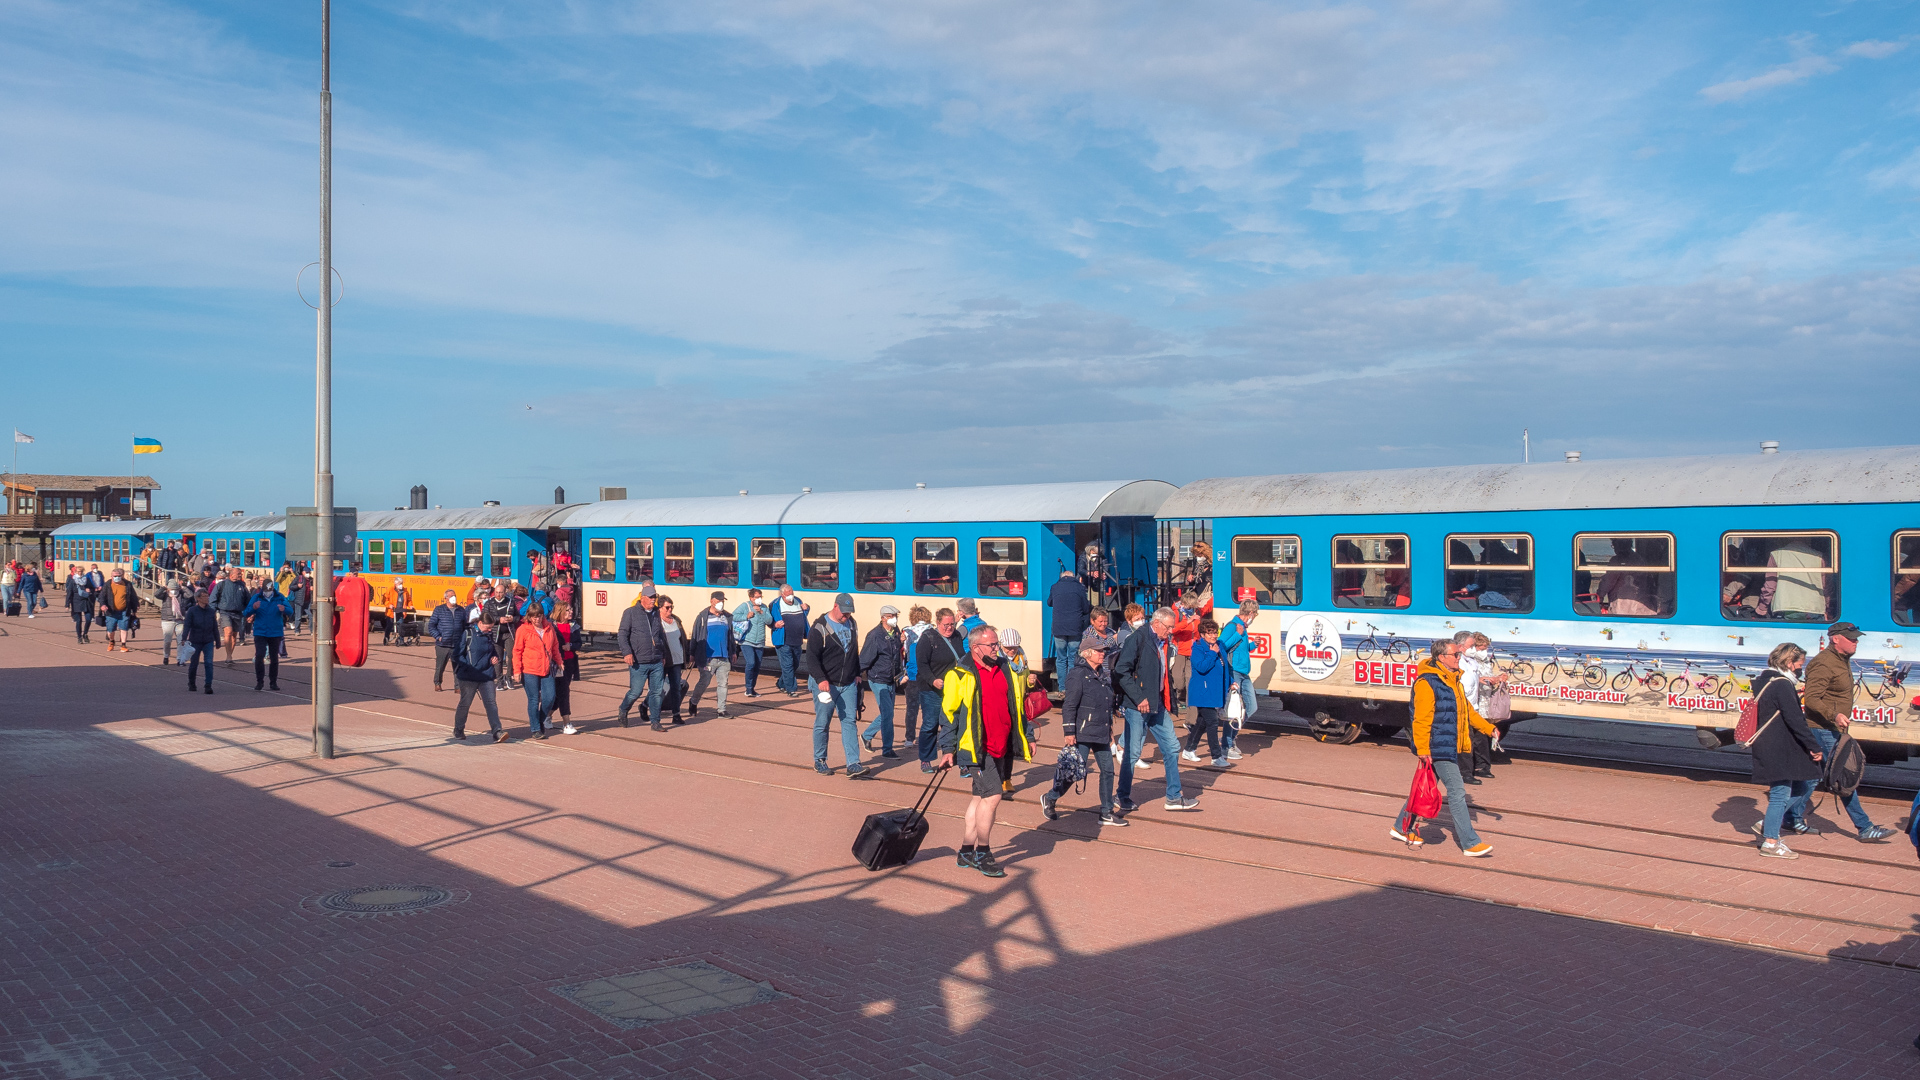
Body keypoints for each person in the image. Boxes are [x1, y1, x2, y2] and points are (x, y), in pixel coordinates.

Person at [937, 624, 1032, 877]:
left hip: (1002, 745)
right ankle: (983, 852)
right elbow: (948, 714)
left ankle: (966, 851)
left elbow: (1017, 704)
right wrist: (947, 749)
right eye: (991, 645)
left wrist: (1028, 735)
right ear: (975, 647)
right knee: (993, 796)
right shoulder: (959, 674)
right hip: (976, 748)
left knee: (979, 798)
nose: (996, 648)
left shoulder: (1004, 668)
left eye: (996, 643)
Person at [1391, 639, 1498, 856]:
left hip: (1448, 745)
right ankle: (1469, 843)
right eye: (1456, 655)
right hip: (1436, 747)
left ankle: (1401, 827)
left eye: (1459, 654)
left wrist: (1489, 729)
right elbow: (1420, 719)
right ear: (1442, 658)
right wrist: (1422, 749)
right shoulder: (1427, 683)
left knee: (1422, 788)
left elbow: (1467, 712)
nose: (1460, 658)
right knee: (1457, 792)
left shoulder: (1452, 681)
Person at [1799, 623, 1893, 841]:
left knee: (1813, 778)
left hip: (1833, 729)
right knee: (1842, 776)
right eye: (1852, 639)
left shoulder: (1841, 660)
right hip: (1823, 729)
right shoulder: (1824, 663)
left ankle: (1788, 817)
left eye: (1857, 639)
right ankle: (1865, 827)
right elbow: (1812, 699)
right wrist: (1835, 715)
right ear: (1836, 639)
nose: (1856, 642)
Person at [1114, 608, 1200, 812]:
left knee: (1171, 747)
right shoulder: (1138, 638)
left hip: (1157, 704)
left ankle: (1173, 797)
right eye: (1169, 627)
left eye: (1172, 627)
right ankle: (1122, 795)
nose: (1171, 631)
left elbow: (1162, 673)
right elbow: (1121, 670)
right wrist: (1138, 697)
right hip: (1138, 705)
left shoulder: (1163, 641)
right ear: (1157, 623)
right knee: (1132, 752)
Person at [1748, 642, 1824, 858]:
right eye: (1801, 663)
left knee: (1801, 786)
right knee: (1780, 794)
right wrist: (1813, 746)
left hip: (1773, 745)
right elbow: (1795, 720)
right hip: (1778, 747)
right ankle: (1771, 843)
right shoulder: (1781, 684)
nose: (1802, 668)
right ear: (1790, 663)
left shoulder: (1766, 679)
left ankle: (1768, 823)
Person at [1042, 645, 1127, 827]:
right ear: (1087, 653)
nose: (1102, 654)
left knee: (1108, 770)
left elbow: (1106, 704)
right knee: (1073, 772)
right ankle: (1051, 797)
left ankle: (1106, 812)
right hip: (1082, 731)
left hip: (1101, 731)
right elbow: (1069, 705)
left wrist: (1110, 729)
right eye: (1098, 651)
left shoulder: (1103, 674)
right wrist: (1069, 732)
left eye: (1103, 651)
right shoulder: (1078, 674)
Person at [807, 593, 869, 778]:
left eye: (849, 613)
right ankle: (820, 760)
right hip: (826, 683)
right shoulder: (819, 628)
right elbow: (811, 657)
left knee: (849, 721)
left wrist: (857, 673)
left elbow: (853, 651)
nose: (846, 616)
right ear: (835, 607)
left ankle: (854, 763)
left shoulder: (852, 623)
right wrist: (820, 679)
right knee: (823, 722)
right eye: (844, 613)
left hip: (848, 683)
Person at [915, 608, 967, 773]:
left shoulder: (957, 636)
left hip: (953, 690)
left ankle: (958, 760)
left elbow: (962, 658)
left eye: (952, 624)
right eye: (946, 625)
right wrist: (932, 680)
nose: (949, 628)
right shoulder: (928, 638)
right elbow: (921, 665)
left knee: (955, 724)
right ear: (937, 623)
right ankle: (926, 759)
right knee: (931, 724)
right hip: (931, 690)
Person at [616, 585, 671, 731]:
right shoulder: (630, 613)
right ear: (643, 598)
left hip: (656, 660)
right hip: (638, 661)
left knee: (657, 692)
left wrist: (663, 654)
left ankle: (655, 722)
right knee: (636, 691)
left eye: (655, 597)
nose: (653, 600)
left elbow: (661, 635)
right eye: (651, 597)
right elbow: (622, 634)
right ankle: (623, 709)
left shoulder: (656, 614)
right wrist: (627, 653)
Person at [1181, 619, 1234, 768]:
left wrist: (1231, 681)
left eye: (1215, 633)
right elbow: (1201, 667)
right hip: (1202, 691)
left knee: (1202, 722)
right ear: (1203, 634)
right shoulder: (1198, 648)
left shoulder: (1220, 645)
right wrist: (1212, 653)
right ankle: (1216, 756)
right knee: (1212, 721)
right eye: (1210, 633)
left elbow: (1224, 667)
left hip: (1215, 691)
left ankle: (1189, 749)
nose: (1213, 636)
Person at [858, 604, 907, 758]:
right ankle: (887, 749)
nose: (894, 619)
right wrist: (857, 674)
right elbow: (865, 658)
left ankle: (867, 736)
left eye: (895, 616)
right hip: (878, 679)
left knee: (888, 713)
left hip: (891, 679)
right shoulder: (874, 635)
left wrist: (900, 642)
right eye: (891, 616)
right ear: (883, 618)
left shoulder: (895, 631)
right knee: (887, 713)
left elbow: (893, 652)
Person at [451, 615, 510, 743]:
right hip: (468, 677)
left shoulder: (488, 635)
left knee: (491, 704)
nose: (490, 630)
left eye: (491, 628)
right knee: (465, 704)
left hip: (487, 675)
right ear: (480, 623)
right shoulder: (468, 634)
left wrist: (495, 658)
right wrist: (467, 666)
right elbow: (456, 655)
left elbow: (492, 651)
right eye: (488, 628)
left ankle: (497, 731)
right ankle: (458, 729)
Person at [1453, 630, 1501, 782]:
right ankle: (1466, 773)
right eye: (1471, 646)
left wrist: (1489, 679)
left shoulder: (1471, 662)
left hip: (1473, 707)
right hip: (1461, 707)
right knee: (1466, 739)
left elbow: (1476, 679)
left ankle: (1479, 767)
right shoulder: (1455, 662)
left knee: (1477, 737)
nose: (1473, 649)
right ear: (1461, 646)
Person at [1216, 599, 1260, 759]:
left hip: (1243, 672)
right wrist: (1238, 634)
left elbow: (1241, 648)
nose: (1254, 617)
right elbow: (1222, 646)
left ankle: (1230, 738)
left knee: (1251, 707)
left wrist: (1252, 645)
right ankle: (1227, 745)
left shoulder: (1242, 628)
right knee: (1233, 710)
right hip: (1234, 672)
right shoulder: (1233, 626)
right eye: (1254, 614)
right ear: (1250, 613)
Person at [514, 604, 564, 739]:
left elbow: (555, 647)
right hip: (529, 669)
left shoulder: (549, 628)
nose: (537, 619)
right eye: (534, 617)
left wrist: (559, 661)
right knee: (534, 699)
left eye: (539, 616)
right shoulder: (523, 630)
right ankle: (536, 729)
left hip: (546, 669)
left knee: (549, 698)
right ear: (529, 617)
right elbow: (517, 651)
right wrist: (517, 670)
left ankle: (539, 720)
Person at [689, 590, 738, 720]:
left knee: (723, 684)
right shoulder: (703, 616)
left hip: (723, 656)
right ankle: (693, 701)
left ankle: (722, 710)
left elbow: (730, 636)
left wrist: (733, 651)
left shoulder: (727, 617)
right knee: (704, 682)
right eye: (718, 601)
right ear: (712, 601)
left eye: (722, 601)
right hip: (707, 658)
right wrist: (692, 653)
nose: (721, 604)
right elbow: (695, 635)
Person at [243, 581, 293, 691]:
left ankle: (273, 682)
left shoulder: (279, 597)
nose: (267, 593)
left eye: (269, 591)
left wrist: (284, 609)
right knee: (259, 655)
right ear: (262, 589)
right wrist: (253, 608)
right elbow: (246, 612)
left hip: (275, 632)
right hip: (260, 631)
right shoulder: (257, 597)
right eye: (266, 591)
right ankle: (259, 681)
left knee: (274, 657)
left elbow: (290, 611)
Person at [1046, 568, 1090, 680]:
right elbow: (1086, 608)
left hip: (1059, 628)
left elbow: (1049, 602)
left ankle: (1062, 688)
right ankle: (1072, 686)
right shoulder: (1080, 587)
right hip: (1075, 628)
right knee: (1073, 658)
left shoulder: (1055, 587)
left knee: (1061, 659)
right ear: (1073, 577)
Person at [900, 605, 934, 747]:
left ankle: (909, 738)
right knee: (929, 709)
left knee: (912, 709)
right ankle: (928, 737)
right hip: (927, 675)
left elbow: (905, 653)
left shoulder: (907, 631)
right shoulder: (932, 631)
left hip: (912, 675)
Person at [656, 596, 691, 723]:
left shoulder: (676, 620)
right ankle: (647, 708)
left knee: (676, 688)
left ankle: (676, 715)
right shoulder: (656, 621)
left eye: (672, 607)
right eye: (667, 607)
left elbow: (682, 639)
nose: (670, 610)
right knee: (658, 689)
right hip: (663, 661)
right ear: (660, 608)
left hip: (676, 661)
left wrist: (687, 655)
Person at [732, 588, 773, 698]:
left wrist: (761, 612)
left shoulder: (764, 607)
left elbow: (769, 621)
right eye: (757, 597)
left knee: (757, 665)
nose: (759, 599)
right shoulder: (745, 606)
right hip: (747, 641)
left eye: (760, 596)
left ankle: (752, 689)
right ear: (751, 598)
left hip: (759, 641)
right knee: (751, 663)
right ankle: (748, 688)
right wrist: (746, 616)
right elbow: (734, 616)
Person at [771, 585, 809, 696]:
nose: (791, 596)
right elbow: (769, 620)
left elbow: (804, 614)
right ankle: (791, 689)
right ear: (782, 594)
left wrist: (807, 608)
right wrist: (775, 625)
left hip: (797, 640)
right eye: (788, 594)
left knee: (795, 665)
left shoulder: (798, 601)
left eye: (791, 593)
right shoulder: (775, 605)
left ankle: (781, 683)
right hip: (783, 641)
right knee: (787, 665)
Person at [481, 584, 520, 689]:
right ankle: (499, 679)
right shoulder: (489, 603)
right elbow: (485, 616)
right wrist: (499, 619)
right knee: (497, 657)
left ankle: (508, 677)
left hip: (509, 633)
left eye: (500, 592)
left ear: (505, 592)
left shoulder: (510, 602)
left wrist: (512, 619)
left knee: (512, 656)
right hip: (495, 633)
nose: (498, 594)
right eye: (497, 592)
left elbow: (518, 616)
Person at [426, 590, 466, 692]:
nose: (454, 598)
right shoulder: (439, 610)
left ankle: (457, 686)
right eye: (451, 596)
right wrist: (438, 637)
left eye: (455, 595)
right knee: (440, 666)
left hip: (457, 644)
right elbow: (431, 626)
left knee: (457, 667)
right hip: (442, 645)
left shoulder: (461, 610)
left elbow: (465, 626)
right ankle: (437, 683)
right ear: (446, 598)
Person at [552, 602, 582, 734]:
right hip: (556, 663)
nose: (571, 612)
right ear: (560, 611)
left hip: (569, 663)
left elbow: (579, 643)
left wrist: (571, 645)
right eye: (568, 610)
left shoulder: (574, 626)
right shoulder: (552, 626)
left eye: (571, 609)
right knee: (558, 693)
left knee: (562, 691)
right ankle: (566, 723)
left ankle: (547, 716)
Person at [182, 590, 219, 694]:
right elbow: (187, 625)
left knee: (209, 663)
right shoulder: (192, 611)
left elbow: (215, 627)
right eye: (204, 596)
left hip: (208, 640)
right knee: (194, 663)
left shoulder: (211, 611)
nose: (206, 598)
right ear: (198, 599)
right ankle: (192, 683)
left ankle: (208, 685)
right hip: (195, 640)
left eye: (207, 596)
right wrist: (184, 638)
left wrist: (218, 640)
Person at [211, 568, 250, 666]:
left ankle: (229, 655)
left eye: (240, 574)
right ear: (231, 575)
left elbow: (248, 600)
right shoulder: (221, 585)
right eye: (238, 574)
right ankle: (228, 656)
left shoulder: (242, 585)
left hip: (238, 613)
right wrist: (213, 612)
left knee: (234, 635)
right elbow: (213, 599)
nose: (240, 575)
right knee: (228, 631)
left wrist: (250, 613)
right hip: (225, 612)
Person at [96, 568, 140, 654]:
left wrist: (135, 607)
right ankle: (112, 641)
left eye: (118, 576)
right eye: (114, 576)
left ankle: (123, 645)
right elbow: (101, 597)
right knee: (110, 630)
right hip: (111, 612)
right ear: (111, 576)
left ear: (122, 576)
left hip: (124, 611)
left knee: (124, 628)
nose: (116, 578)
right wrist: (103, 605)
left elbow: (133, 597)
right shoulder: (107, 584)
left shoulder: (127, 584)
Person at [156, 580, 189, 665]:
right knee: (167, 641)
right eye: (171, 589)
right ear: (168, 589)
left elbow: (190, 595)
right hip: (167, 620)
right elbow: (156, 594)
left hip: (179, 620)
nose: (174, 591)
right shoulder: (165, 595)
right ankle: (166, 656)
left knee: (180, 640)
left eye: (175, 589)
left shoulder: (181, 594)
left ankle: (179, 659)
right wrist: (164, 587)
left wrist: (183, 588)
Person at [65, 567, 95, 643]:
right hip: (76, 602)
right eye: (78, 571)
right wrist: (67, 605)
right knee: (79, 621)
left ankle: (85, 634)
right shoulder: (73, 581)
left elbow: (93, 589)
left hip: (86, 602)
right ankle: (79, 637)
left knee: (88, 619)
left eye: (81, 571)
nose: (80, 573)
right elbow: (69, 593)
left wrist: (90, 590)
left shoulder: (86, 580)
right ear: (75, 572)